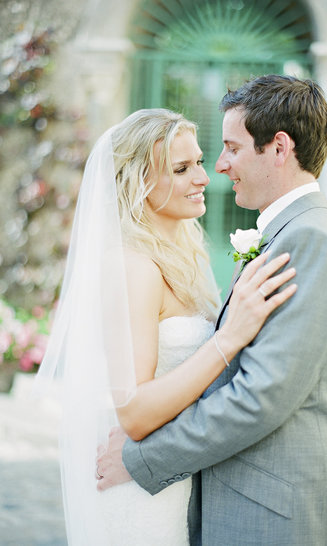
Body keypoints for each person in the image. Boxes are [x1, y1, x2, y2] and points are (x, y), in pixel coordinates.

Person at [96, 75, 327, 544]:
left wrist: (143, 457)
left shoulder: (309, 241)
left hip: (274, 518)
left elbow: (259, 398)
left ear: (279, 148)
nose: (218, 167)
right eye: (187, 166)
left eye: (231, 149)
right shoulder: (289, 236)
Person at [34, 108, 297, 544]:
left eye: (197, 161)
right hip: (139, 500)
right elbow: (134, 412)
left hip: (174, 482)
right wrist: (231, 338)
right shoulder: (133, 266)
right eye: (180, 169)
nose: (202, 177)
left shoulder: (185, 252)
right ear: (138, 182)